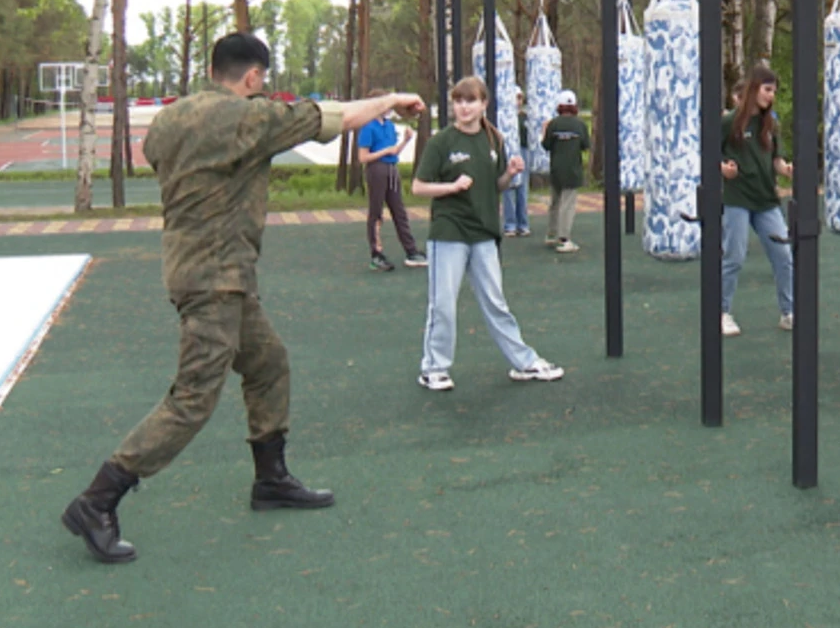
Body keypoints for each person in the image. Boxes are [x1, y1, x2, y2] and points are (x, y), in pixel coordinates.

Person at [61, 32, 425, 564]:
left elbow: (161, 159)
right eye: (262, 82)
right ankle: (99, 499)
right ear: (252, 78)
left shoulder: (169, 120)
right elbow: (333, 117)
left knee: (268, 363)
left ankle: (271, 478)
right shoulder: (250, 118)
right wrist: (391, 101)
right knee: (192, 399)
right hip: (215, 279)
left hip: (203, 271)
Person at [413, 76, 565, 391]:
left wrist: (510, 174)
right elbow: (418, 186)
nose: (463, 107)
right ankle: (434, 368)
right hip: (449, 233)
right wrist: (451, 187)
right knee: (443, 303)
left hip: (484, 234)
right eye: (458, 101)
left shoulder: (493, 141)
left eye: (470, 101)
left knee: (496, 302)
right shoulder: (441, 142)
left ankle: (524, 363)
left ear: (484, 104)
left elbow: (495, 186)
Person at [718, 63, 794, 336]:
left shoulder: (770, 124)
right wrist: (722, 169)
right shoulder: (729, 122)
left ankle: (789, 311)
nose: (771, 95)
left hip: (766, 201)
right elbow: (708, 154)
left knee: (783, 254)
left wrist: (785, 169)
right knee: (734, 256)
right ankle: (722, 312)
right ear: (754, 89)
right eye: (767, 89)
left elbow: (776, 158)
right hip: (737, 198)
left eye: (774, 91)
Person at [357, 88, 426, 272]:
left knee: (399, 212)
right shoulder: (368, 126)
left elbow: (393, 151)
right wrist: (384, 152)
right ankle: (376, 254)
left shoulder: (388, 126)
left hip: (391, 168)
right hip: (377, 169)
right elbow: (363, 157)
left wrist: (405, 141)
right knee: (376, 213)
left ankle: (411, 251)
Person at [541, 89, 590, 253]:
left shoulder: (553, 124)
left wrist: (545, 133)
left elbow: (546, 145)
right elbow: (585, 145)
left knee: (555, 202)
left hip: (556, 168)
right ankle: (564, 239)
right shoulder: (580, 125)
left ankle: (551, 234)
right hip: (573, 169)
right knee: (567, 205)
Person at [502, 89, 532, 237]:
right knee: (508, 188)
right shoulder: (504, 117)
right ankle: (510, 224)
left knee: (522, 188)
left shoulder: (525, 117)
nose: (517, 101)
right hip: (508, 151)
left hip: (523, 151)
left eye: (520, 98)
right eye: (515, 98)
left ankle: (523, 224)